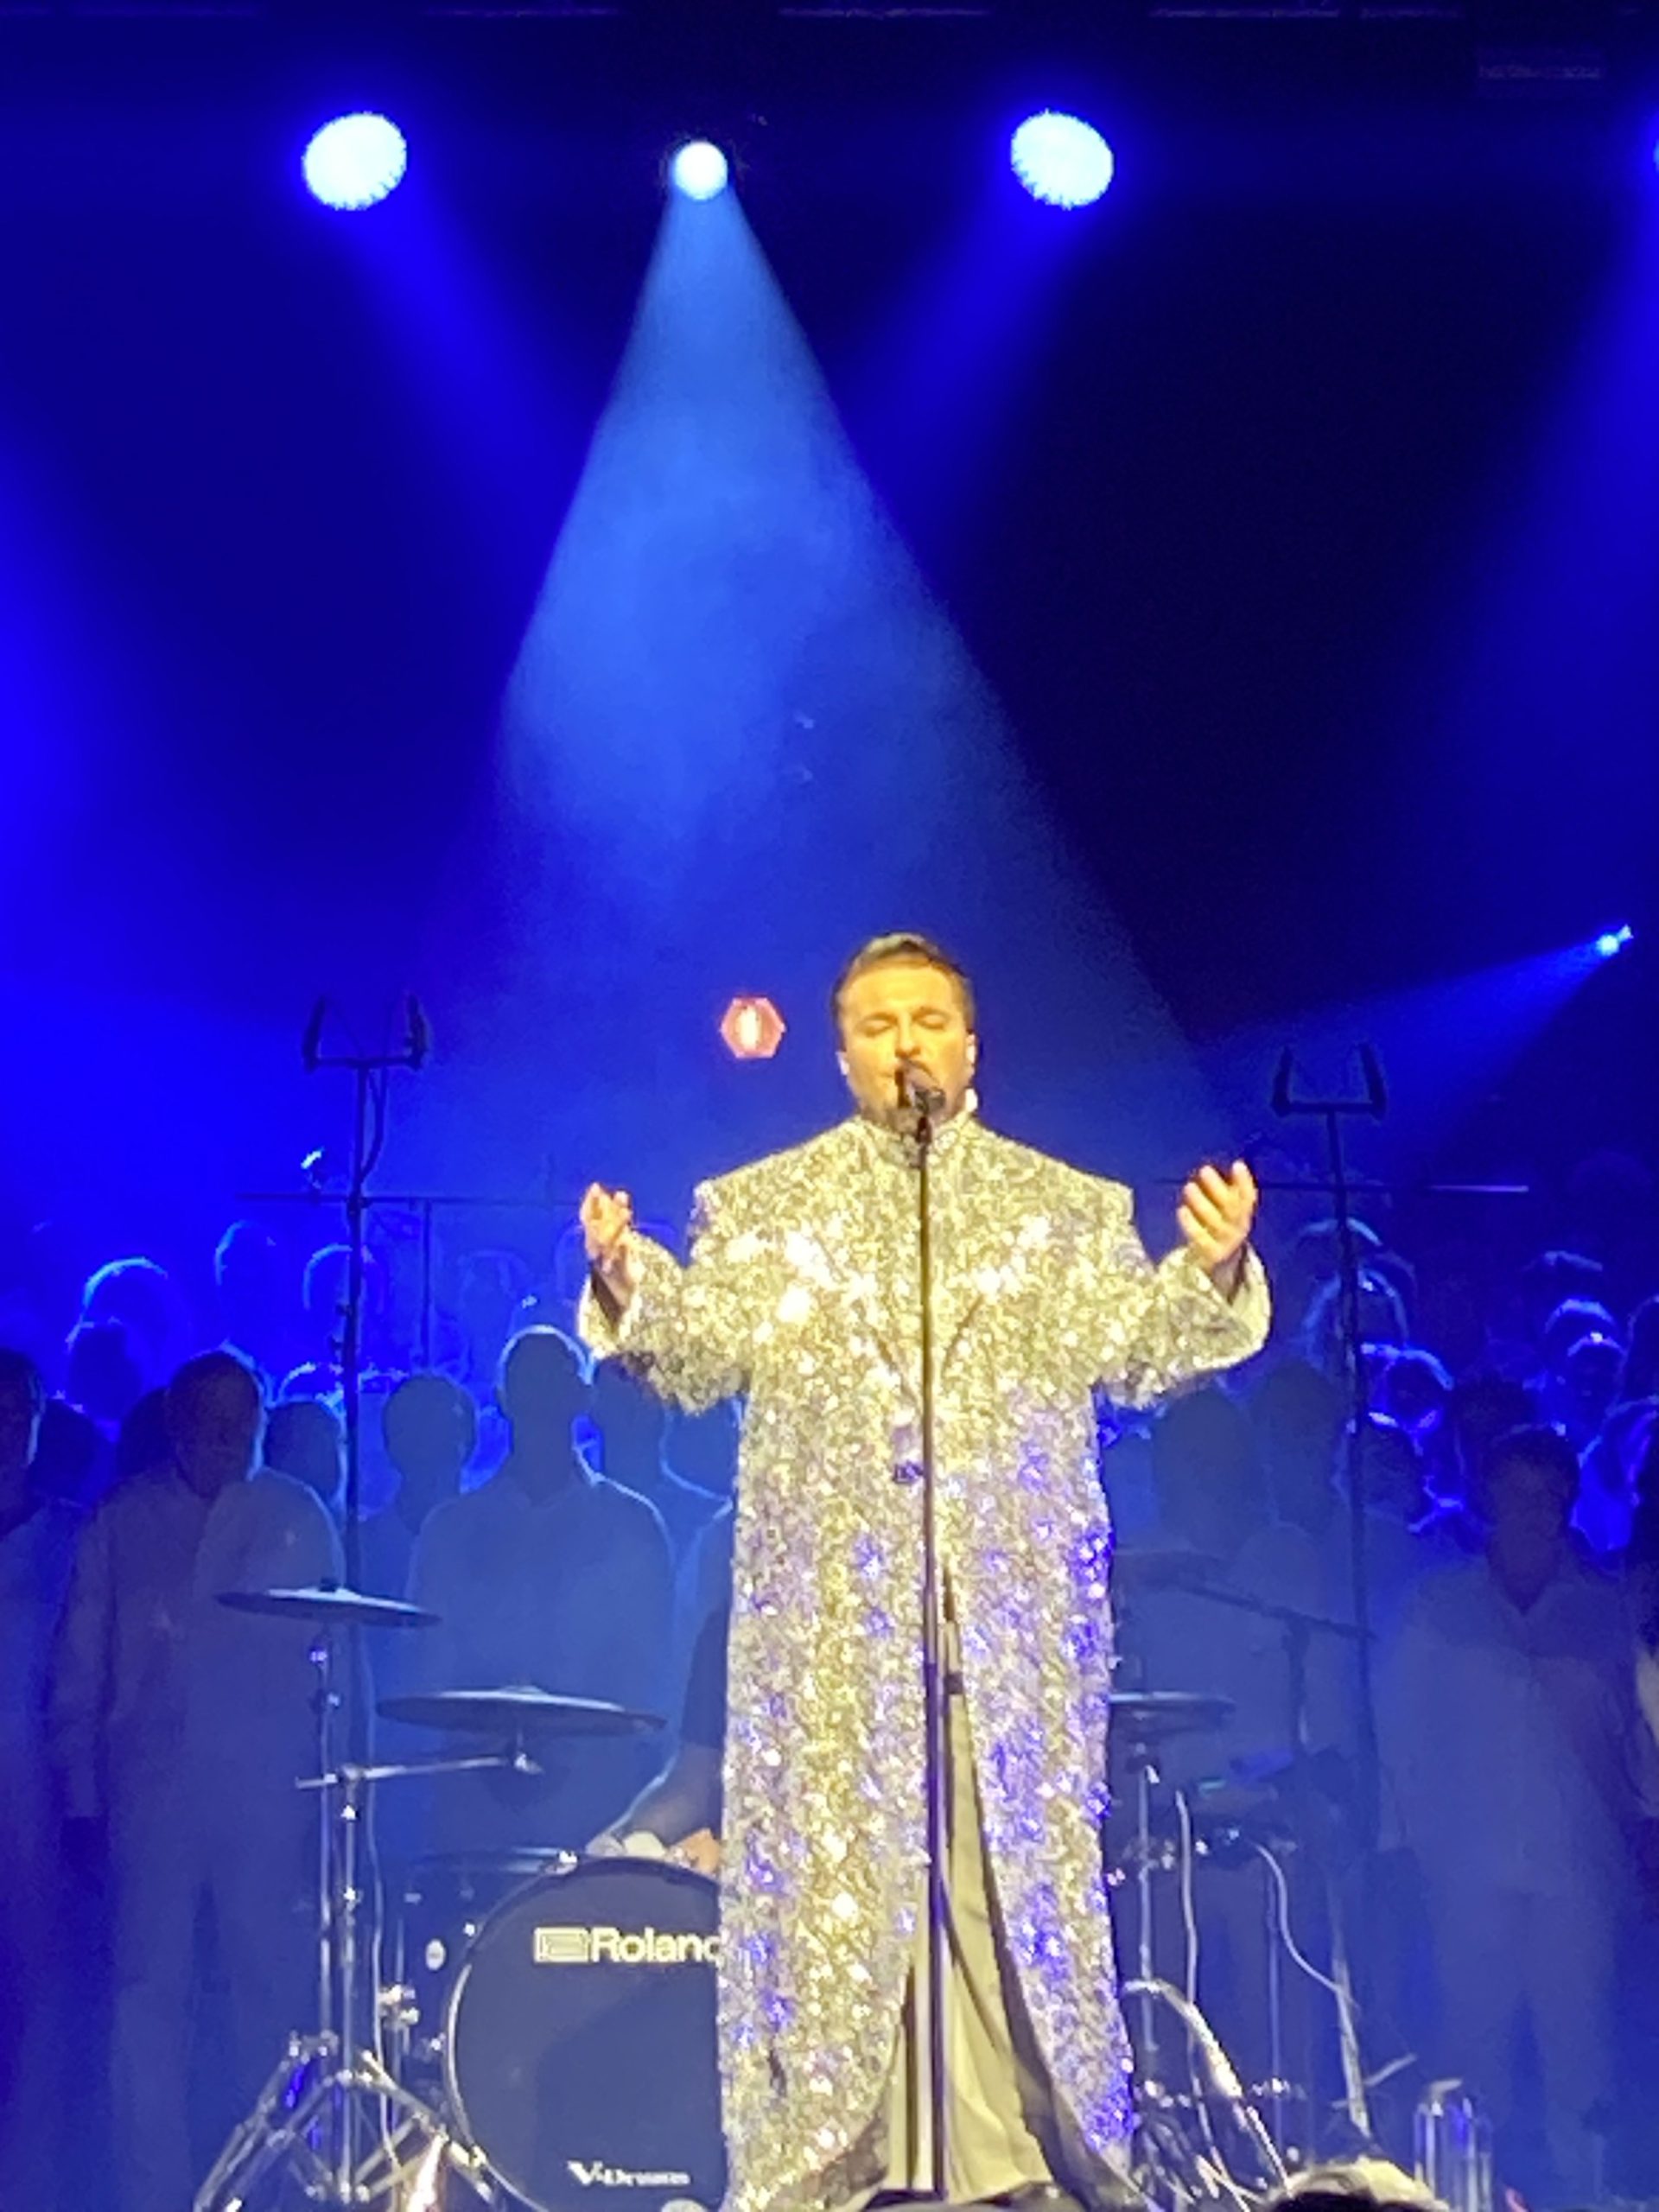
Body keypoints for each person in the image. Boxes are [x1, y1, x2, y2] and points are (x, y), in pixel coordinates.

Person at [578, 931, 1268, 2212]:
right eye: (879, 1024)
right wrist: (629, 1284)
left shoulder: (1062, 1211)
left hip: (1008, 1625)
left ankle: (1013, 2156)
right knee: (844, 1896)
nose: (907, 1043)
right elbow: (694, 1359)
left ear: (970, 1045)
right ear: (843, 1056)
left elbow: (1140, 1351)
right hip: (835, 1636)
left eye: (929, 1020)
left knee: (1003, 1881)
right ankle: (847, 2158)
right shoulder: (765, 1210)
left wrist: (1212, 1271)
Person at [48, 1349, 340, 2212]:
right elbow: (81, 1668)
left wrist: (327, 1800)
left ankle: (280, 2182)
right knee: (148, 1994)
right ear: (177, 1421)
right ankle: (153, 2191)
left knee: (268, 1987)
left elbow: (337, 1663)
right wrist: (80, 1799)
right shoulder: (125, 1520)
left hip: (268, 1791)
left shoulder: (297, 1514)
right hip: (152, 1789)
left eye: (244, 1418)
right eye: (212, 1419)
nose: (229, 1435)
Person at [1377, 1423, 1659, 2205]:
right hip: (1466, 1862)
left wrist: (1648, 1831)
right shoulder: (1437, 1605)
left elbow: (1641, 1736)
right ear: (1487, 1499)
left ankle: (1588, 2196)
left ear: (1569, 1500)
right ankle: (1463, 2197)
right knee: (1472, 2050)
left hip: (1579, 1866)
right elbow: (1400, 1730)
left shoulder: (1603, 1611)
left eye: (1549, 1494)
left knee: (1582, 2052)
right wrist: (1400, 1842)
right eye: (1517, 1493)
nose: (1534, 1510)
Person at [406, 1327, 672, 1853]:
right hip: (474, 1798)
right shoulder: (452, 1528)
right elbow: (426, 1669)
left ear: (583, 1397)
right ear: (503, 1398)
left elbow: (649, 1674)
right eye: (528, 1382)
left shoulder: (632, 1525)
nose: (541, 1396)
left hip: (593, 1801)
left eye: (555, 1380)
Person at [0, 1349, 80, 2207]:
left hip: (31, 1794)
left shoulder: (66, 1538)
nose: (5, 1430)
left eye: (18, 1412)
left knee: (40, 1992)